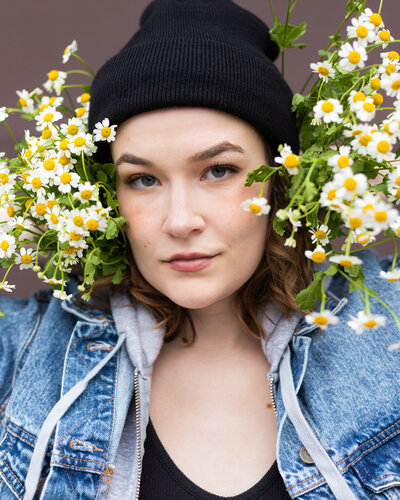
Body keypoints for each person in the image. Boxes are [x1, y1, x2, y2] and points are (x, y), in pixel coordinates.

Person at [1, 1, 400, 499]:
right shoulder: (22, 351)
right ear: (108, 198)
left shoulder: (388, 324)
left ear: (281, 182)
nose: (181, 221)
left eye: (219, 171)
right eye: (143, 179)